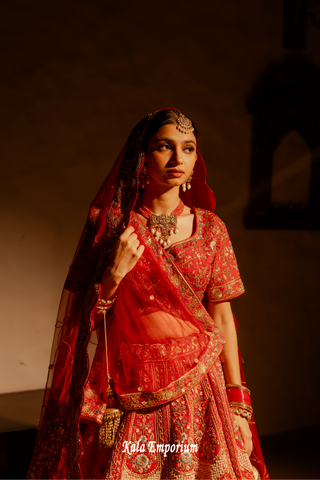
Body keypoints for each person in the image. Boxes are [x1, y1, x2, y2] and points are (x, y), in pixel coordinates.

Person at [27, 108, 269, 479]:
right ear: (142, 154)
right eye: (164, 147)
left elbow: (222, 319)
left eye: (188, 149)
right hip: (131, 387)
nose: (178, 158)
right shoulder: (110, 227)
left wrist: (239, 404)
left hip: (200, 386)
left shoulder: (212, 230)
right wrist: (112, 276)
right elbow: (81, 323)